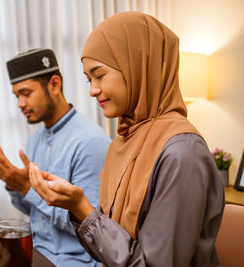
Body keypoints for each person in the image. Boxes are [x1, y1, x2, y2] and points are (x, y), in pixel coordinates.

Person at [29, 12, 225, 267]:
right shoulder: (123, 142)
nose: (92, 90)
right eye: (89, 79)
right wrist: (78, 207)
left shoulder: (182, 153)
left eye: (99, 75)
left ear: (138, 67)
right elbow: (108, 249)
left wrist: (83, 208)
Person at [0, 48, 110, 266]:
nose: (20, 104)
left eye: (26, 93)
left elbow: (93, 227)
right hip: (34, 254)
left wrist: (27, 188)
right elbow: (36, 213)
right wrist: (13, 183)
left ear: (54, 84)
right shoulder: (34, 140)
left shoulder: (90, 142)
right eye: (16, 96)